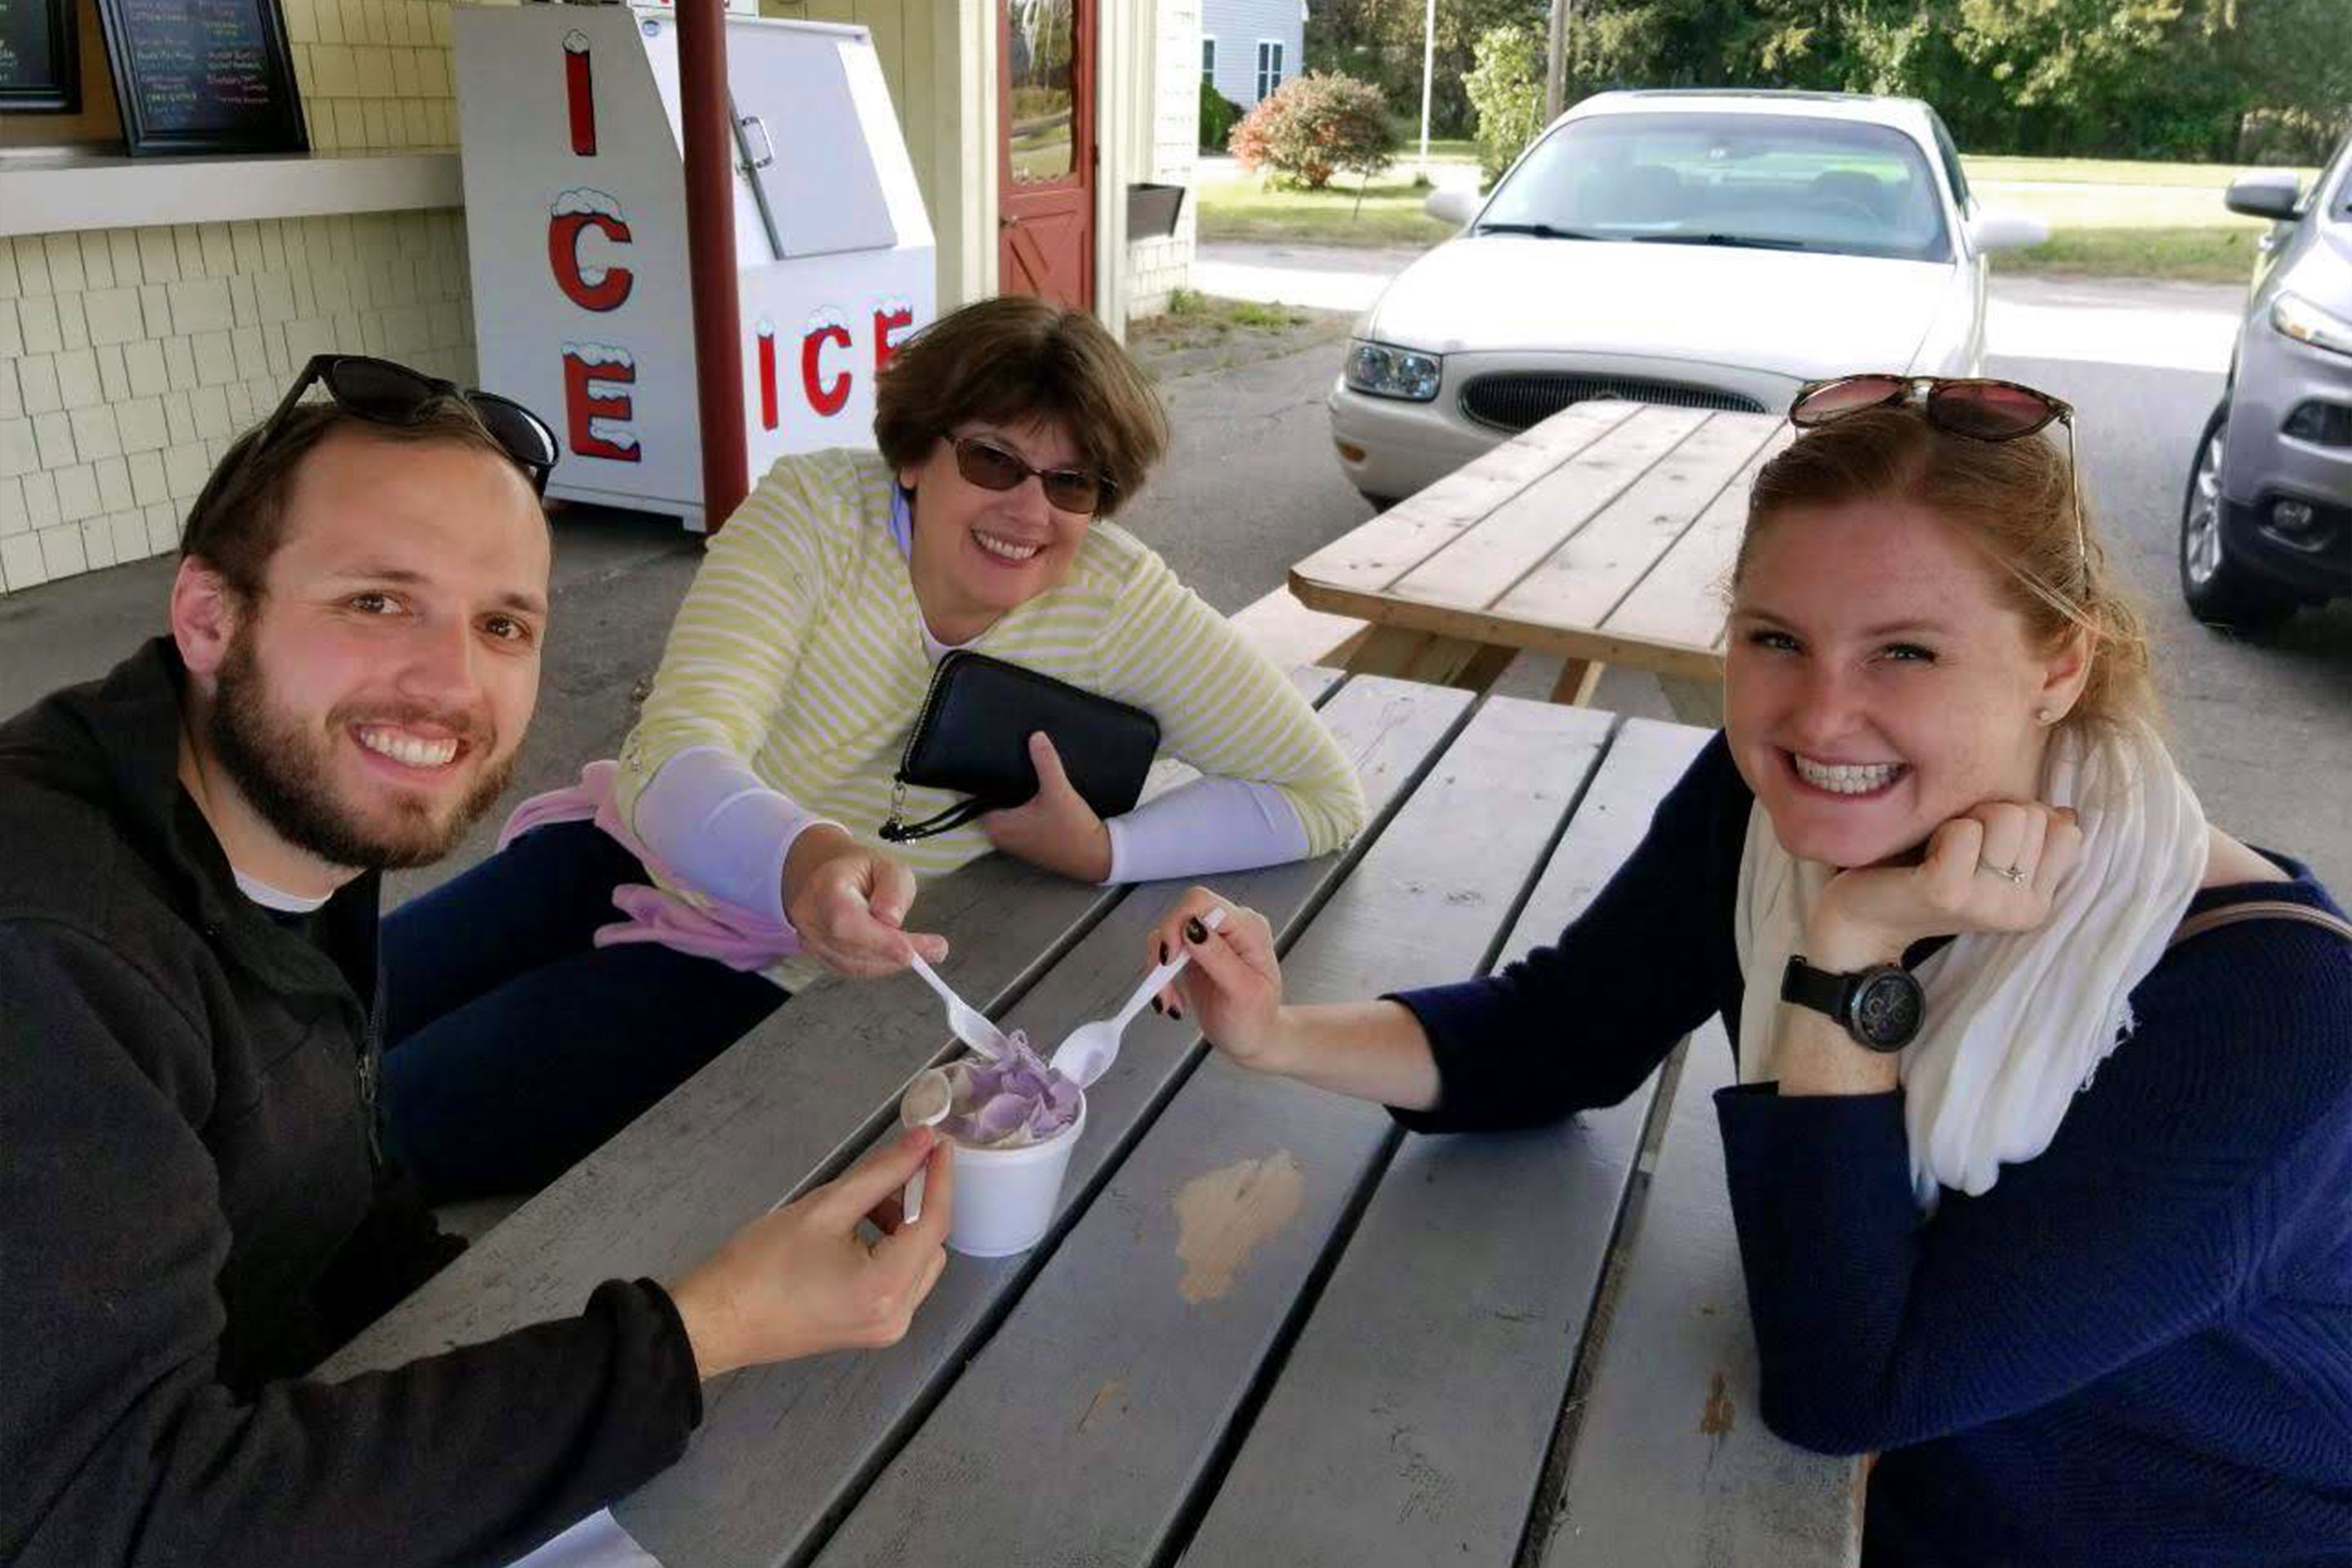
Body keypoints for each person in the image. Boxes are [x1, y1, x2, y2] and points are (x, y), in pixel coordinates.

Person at [1140, 377, 2352, 1566]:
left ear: (2060, 666)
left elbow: (1850, 1386)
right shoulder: (1768, 807)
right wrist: (1277, 1034)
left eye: (1906, 654)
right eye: (1777, 638)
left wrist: (1846, 961)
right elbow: (1561, 1032)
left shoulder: (2272, 1017)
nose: (1821, 719)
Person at [0, 356, 955, 1568]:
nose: (453, 683)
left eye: (501, 624)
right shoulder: (45, 958)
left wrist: (488, 1331)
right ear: (208, 617)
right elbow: (114, 1518)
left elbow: (340, 1206)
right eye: (377, 602)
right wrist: (703, 1332)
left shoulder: (279, 824)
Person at [384, 296, 1368, 1199]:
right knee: (315, 1009)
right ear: (913, 453)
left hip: (776, 971)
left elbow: (1322, 794)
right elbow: (673, 754)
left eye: (1074, 483)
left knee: (382, 1128)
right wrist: (803, 858)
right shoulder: (815, 515)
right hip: (630, 849)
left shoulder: (1118, 597)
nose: (1031, 511)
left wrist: (1108, 851)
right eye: (991, 460)